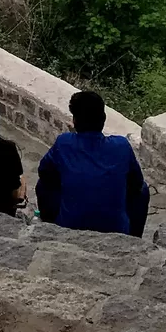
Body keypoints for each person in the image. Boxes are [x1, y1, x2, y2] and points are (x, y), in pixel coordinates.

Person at [36, 90, 150, 236]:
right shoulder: (121, 146)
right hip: (116, 229)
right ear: (103, 118)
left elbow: (44, 172)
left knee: (43, 185)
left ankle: (50, 228)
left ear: (75, 121)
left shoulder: (64, 143)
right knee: (143, 190)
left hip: (69, 228)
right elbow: (136, 184)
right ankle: (133, 239)